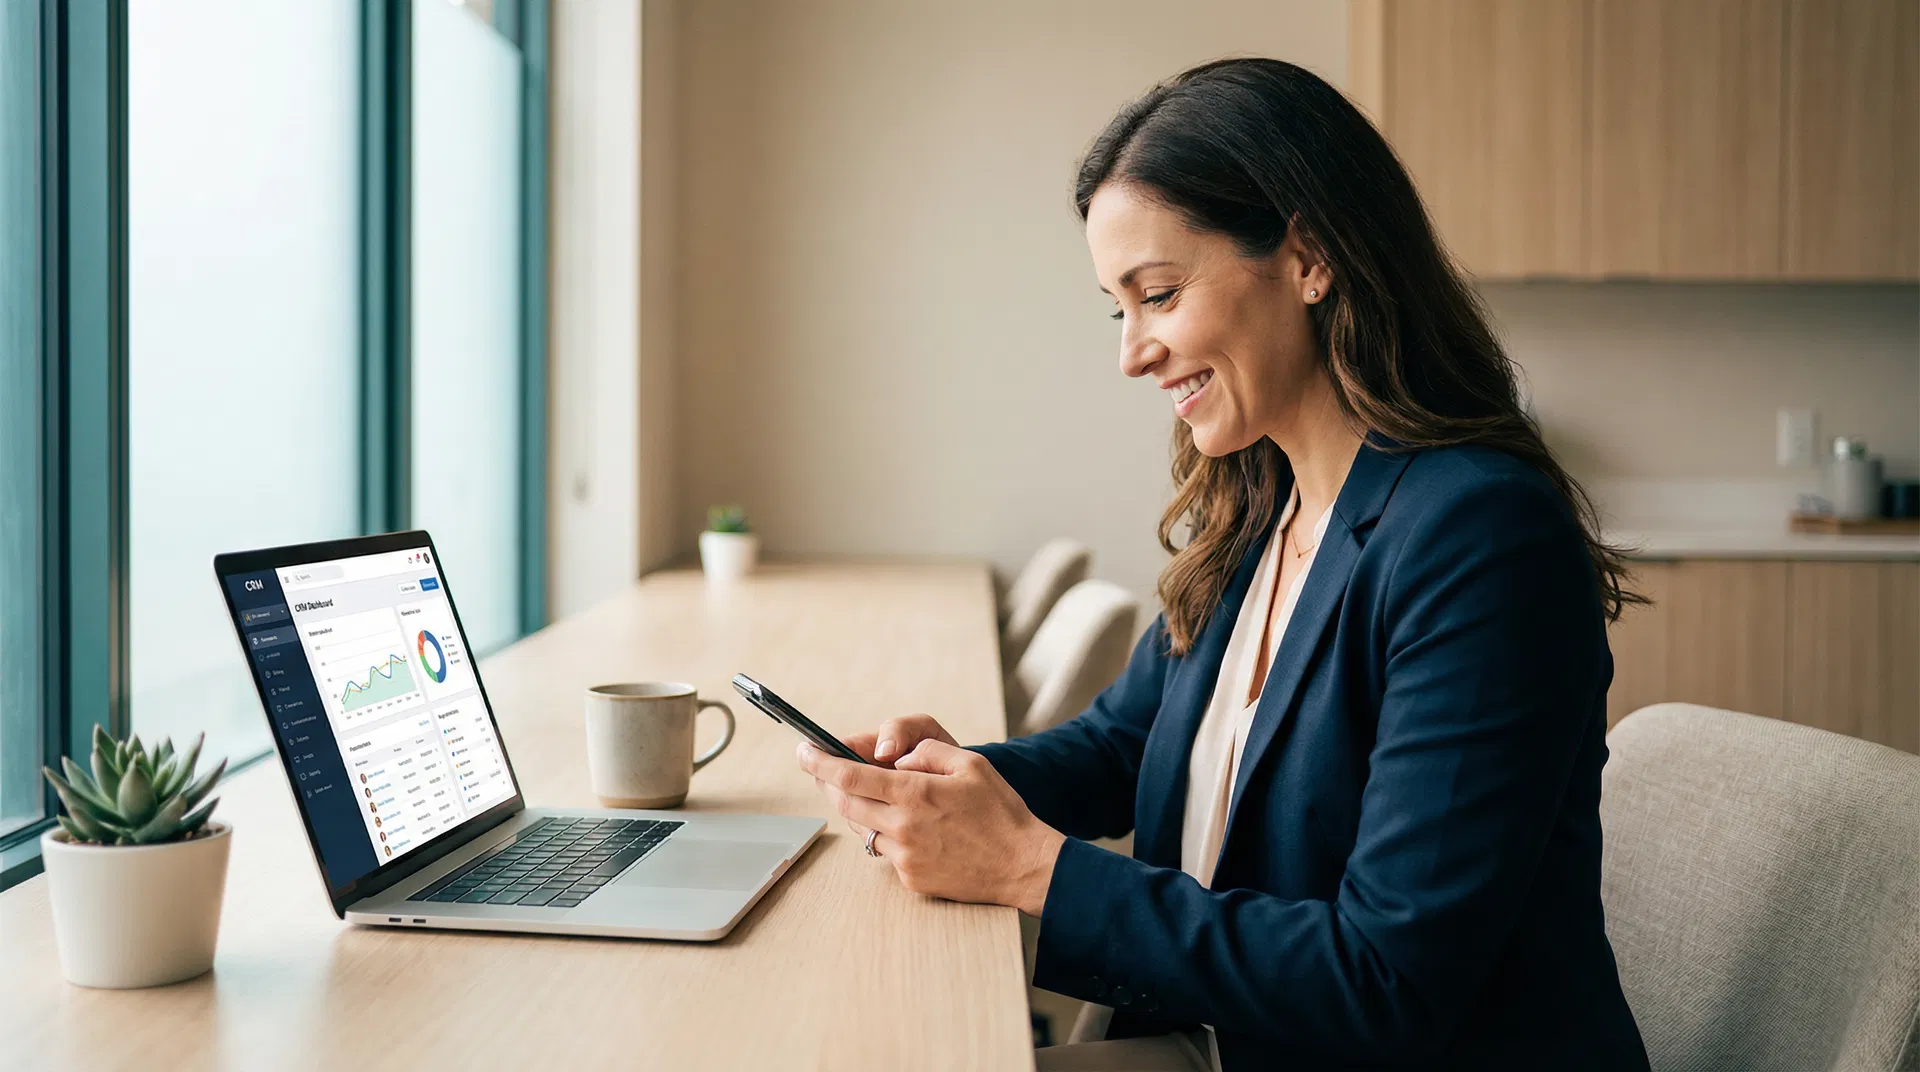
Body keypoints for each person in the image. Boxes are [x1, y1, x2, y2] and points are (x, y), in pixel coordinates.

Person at [797, 57, 1650, 1071]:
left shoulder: (1480, 539)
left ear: (1310, 257)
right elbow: (1124, 747)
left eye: (1158, 294)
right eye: (1118, 307)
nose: (1132, 351)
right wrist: (952, 783)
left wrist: (1036, 870)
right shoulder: (1261, 506)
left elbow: (1388, 979)